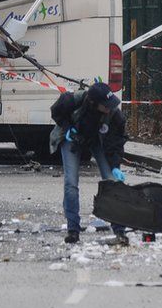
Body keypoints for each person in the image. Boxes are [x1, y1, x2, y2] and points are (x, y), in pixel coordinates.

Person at [49, 82, 129, 245]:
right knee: (71, 183)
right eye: (105, 105)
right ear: (93, 103)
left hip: (98, 141)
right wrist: (68, 127)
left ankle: (120, 229)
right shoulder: (72, 100)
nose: (109, 108)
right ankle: (73, 230)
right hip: (73, 137)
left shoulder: (114, 115)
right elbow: (56, 112)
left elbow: (116, 142)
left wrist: (114, 165)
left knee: (111, 182)